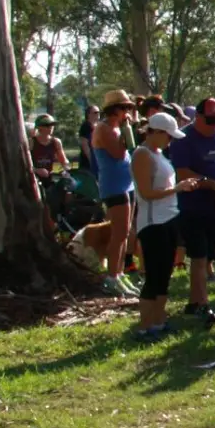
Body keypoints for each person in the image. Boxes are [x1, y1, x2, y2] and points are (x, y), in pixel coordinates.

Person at [168, 98, 215, 327]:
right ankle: (203, 305)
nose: (214, 126)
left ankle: (193, 302)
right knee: (199, 256)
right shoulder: (183, 139)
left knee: (211, 252)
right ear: (198, 117)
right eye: (209, 121)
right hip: (193, 205)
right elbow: (183, 173)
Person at [130, 113, 198, 341]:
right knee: (154, 275)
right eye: (168, 136)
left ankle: (158, 321)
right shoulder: (142, 155)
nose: (170, 141)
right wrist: (178, 188)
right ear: (156, 133)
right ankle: (144, 326)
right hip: (153, 223)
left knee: (164, 274)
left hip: (168, 218)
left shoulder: (159, 154)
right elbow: (147, 193)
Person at [91, 91, 139, 296]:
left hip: (127, 185)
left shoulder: (118, 129)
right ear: (114, 110)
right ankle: (112, 276)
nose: (127, 112)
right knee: (118, 234)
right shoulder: (104, 129)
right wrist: (127, 129)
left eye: (129, 108)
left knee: (125, 232)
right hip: (114, 187)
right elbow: (119, 154)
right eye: (123, 108)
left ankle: (119, 273)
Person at [29, 114, 69, 180]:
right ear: (39, 127)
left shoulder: (56, 142)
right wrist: (36, 170)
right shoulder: (31, 142)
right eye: (47, 125)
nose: (51, 127)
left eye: (52, 125)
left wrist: (64, 168)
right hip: (36, 178)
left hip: (52, 176)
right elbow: (25, 164)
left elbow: (64, 162)